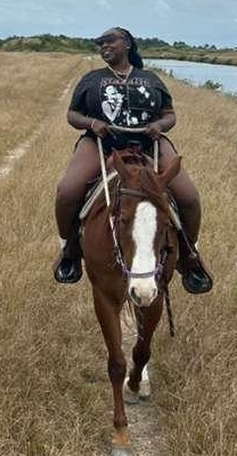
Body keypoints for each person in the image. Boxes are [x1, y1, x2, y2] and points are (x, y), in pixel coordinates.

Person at [52, 26, 213, 294]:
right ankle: (69, 249)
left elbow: (170, 115)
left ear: (126, 43)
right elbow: (72, 115)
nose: (103, 46)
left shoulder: (151, 79)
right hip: (101, 144)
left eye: (108, 41)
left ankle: (189, 254)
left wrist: (159, 126)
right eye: (99, 44)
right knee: (67, 191)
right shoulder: (92, 79)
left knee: (189, 197)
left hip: (149, 144)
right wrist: (92, 123)